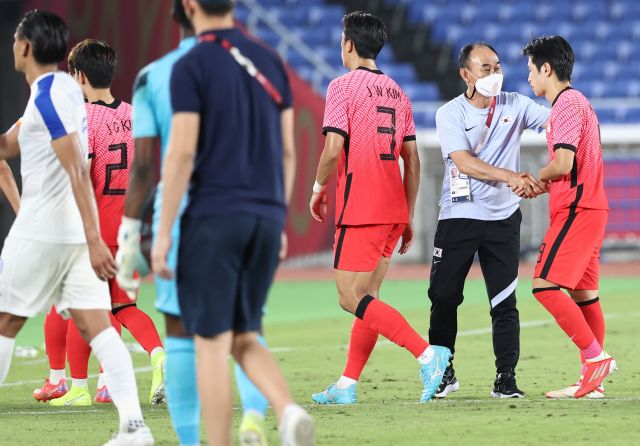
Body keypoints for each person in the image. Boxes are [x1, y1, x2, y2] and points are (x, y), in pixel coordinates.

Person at [149, 0, 314, 444]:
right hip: (265, 214)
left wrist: (163, 233)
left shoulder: (192, 64)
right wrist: (278, 219)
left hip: (214, 217)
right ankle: (287, 409)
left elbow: (181, 152)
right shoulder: (270, 59)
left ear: (188, 6)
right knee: (245, 333)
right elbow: (287, 153)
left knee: (211, 344)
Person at [116, 1, 279, 444]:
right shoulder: (253, 64)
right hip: (253, 209)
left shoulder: (158, 74)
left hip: (191, 217)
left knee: (183, 332)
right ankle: (255, 417)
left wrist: (132, 231)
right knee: (248, 326)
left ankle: (194, 441)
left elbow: (147, 166)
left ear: (180, 13)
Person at [0, 10, 153, 445]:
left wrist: (93, 240)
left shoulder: (48, 97)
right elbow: (10, 144)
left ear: (26, 47)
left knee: (6, 322)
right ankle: (134, 428)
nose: (12, 44)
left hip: (45, 229)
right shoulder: (62, 90)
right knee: (98, 328)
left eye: (15, 38)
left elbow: (77, 171)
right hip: (67, 232)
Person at [309, 11, 451, 406]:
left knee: (349, 296)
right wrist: (406, 215)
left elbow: (334, 148)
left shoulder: (341, 87)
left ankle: (427, 354)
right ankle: (347, 385)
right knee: (369, 296)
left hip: (362, 205)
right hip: (392, 207)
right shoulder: (398, 91)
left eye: (341, 41)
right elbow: (414, 160)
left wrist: (318, 187)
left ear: (349, 45)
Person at [34, 39, 167, 408]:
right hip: (128, 228)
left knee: (83, 306)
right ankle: (157, 356)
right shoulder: (133, 114)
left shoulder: (84, 118)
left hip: (91, 229)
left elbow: (80, 172)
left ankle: (77, 387)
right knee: (124, 306)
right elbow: (143, 170)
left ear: (78, 76)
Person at [428, 42, 551, 399]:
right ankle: (443, 371)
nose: (495, 74)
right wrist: (511, 177)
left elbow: (556, 122)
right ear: (465, 74)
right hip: (459, 216)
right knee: (444, 297)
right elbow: (463, 162)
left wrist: (550, 171)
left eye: (497, 66)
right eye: (486, 68)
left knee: (505, 301)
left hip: (502, 219)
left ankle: (506, 378)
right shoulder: (449, 113)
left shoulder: (516, 103)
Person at [522, 35, 615, 399]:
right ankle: (593, 382)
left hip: (578, 210)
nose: (529, 78)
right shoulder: (579, 103)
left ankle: (595, 359)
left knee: (544, 286)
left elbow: (562, 163)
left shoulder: (564, 105)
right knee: (585, 295)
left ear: (547, 68)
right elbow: (573, 168)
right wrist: (542, 186)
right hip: (589, 205)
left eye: (531, 70)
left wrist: (534, 177)